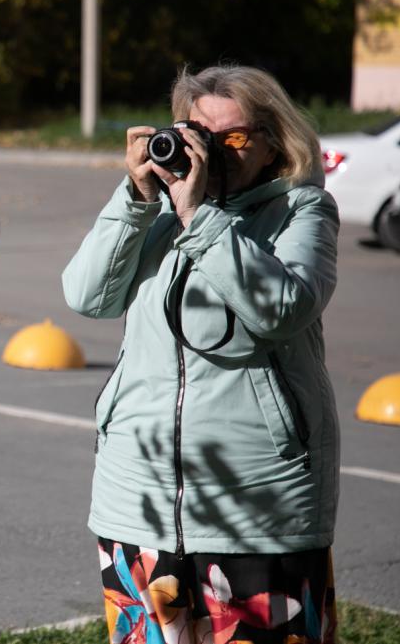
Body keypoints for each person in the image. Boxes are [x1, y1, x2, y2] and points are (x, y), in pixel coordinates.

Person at [62, 64, 340, 644]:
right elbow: (86, 296)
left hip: (257, 507)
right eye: (198, 135)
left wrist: (200, 219)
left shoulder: (301, 212)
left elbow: (284, 306)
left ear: (273, 145)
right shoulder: (154, 213)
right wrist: (136, 200)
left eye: (232, 139)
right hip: (137, 498)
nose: (212, 153)